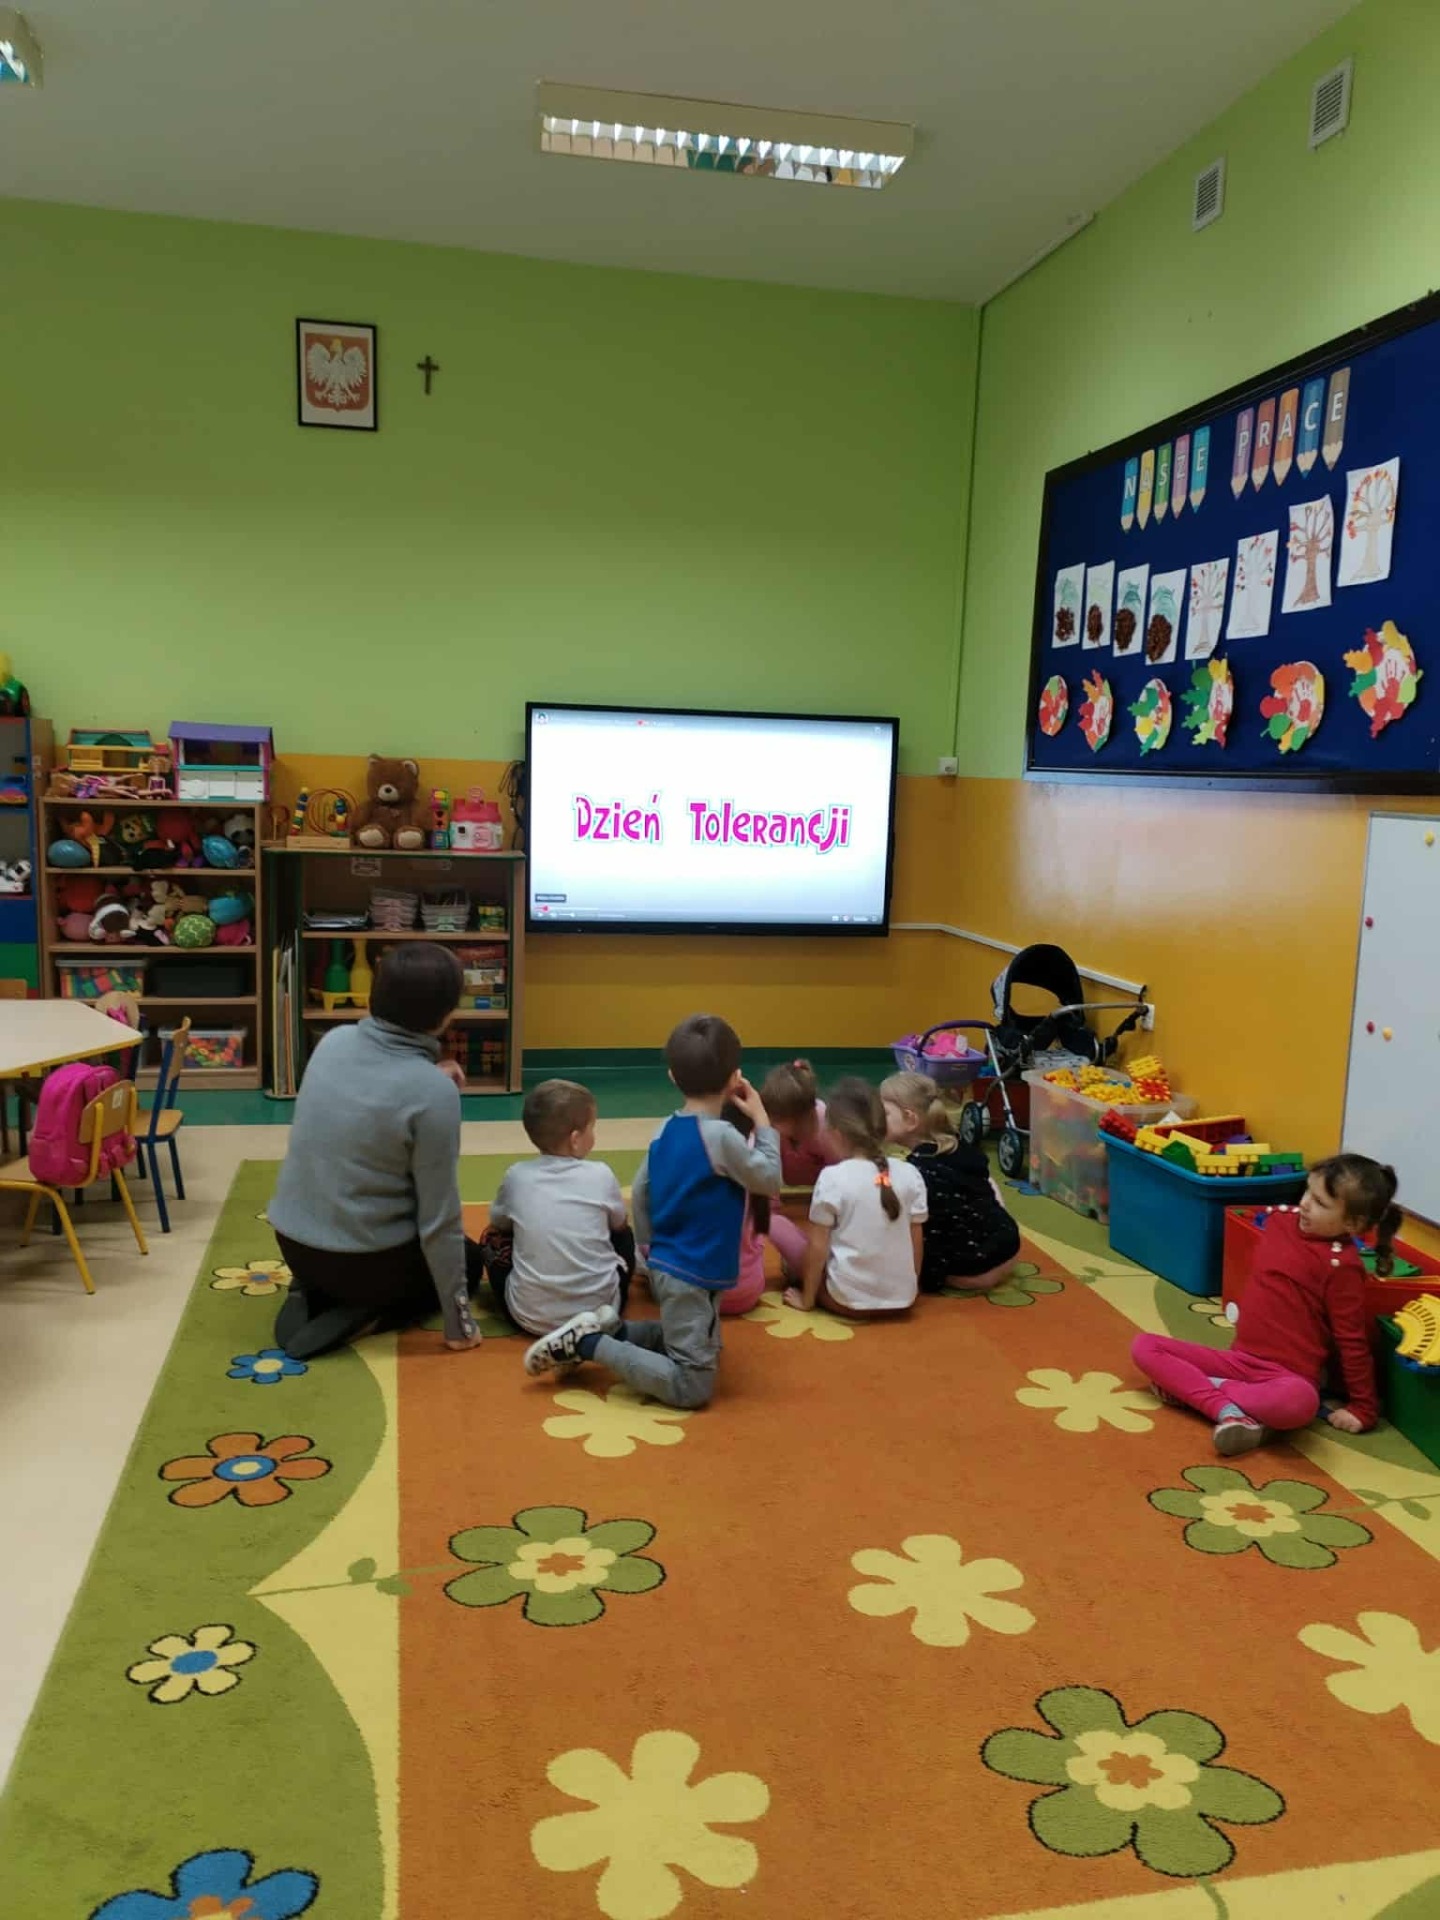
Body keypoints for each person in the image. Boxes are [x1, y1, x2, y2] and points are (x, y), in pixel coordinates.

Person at [523, 1013, 781, 1407]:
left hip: (675, 1265)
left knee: (704, 1345)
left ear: (672, 1077)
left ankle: (613, 1333)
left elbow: (641, 1190)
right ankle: (589, 1344)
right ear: (735, 1079)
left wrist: (648, 1248)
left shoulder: (664, 1129)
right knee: (692, 1386)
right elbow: (769, 1179)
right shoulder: (722, 1137)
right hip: (692, 1271)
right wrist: (762, 1121)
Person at [268, 944, 482, 1359]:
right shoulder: (432, 1093)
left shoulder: (333, 1041)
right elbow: (439, 1218)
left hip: (293, 1243)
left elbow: (377, 1089)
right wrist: (459, 1323)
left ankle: (311, 1290)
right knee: (470, 1260)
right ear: (445, 1015)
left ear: (373, 997)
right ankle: (370, 1313)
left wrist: (430, 1076)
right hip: (365, 1263)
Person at [1131, 1154, 1398, 1456]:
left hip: (1286, 1377)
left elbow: (1351, 1339)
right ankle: (1227, 1410)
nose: (1305, 1204)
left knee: (1301, 1404)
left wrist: (1364, 1408)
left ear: (1352, 1223)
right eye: (1307, 1191)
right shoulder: (1279, 1221)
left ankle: (1202, 1391)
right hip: (1238, 1362)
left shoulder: (1342, 1266)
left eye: (1320, 1203)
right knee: (1144, 1346)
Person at [481, 1079, 635, 1336]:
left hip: (530, 1318)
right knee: (623, 1232)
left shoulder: (517, 1176)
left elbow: (498, 1223)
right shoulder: (601, 1174)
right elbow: (619, 1226)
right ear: (575, 1139)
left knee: (490, 1237)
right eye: (592, 1128)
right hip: (601, 1313)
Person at [784, 1077, 927, 1320]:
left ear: (837, 1135)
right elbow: (916, 1242)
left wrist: (807, 1300)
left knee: (792, 1266)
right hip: (902, 1301)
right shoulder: (911, 1174)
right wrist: (910, 1289)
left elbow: (818, 1248)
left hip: (847, 1302)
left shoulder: (832, 1178)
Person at [881, 1069, 1020, 1293]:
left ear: (910, 1119)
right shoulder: (959, 1146)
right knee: (986, 1185)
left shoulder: (915, 1172)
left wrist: (926, 1279)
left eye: (885, 1113)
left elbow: (930, 1234)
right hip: (1009, 1250)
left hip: (971, 1271)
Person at [717, 1100, 774, 1316]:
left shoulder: (702, 1163)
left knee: (648, 1244)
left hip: (704, 1295)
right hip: (749, 1293)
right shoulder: (758, 1163)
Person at [761, 1058, 842, 1188]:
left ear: (795, 1119)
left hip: (822, 1191)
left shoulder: (826, 1130)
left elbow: (840, 1176)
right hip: (791, 1188)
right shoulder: (774, 1126)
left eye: (775, 1119)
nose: (769, 1122)